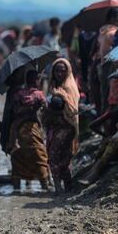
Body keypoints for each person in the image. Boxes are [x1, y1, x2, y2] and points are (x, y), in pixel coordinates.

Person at [8, 70, 50, 190]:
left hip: (22, 128)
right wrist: (32, 110)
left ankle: (17, 189)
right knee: (38, 155)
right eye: (37, 78)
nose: (38, 81)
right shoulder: (39, 94)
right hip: (30, 129)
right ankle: (44, 186)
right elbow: (45, 110)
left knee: (20, 155)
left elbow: (15, 110)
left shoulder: (19, 93)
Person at [44, 58, 79, 194]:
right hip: (54, 126)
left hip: (67, 126)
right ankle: (65, 186)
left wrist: (61, 96)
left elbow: (73, 108)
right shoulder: (52, 86)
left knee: (58, 155)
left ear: (68, 72)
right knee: (59, 155)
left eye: (63, 71)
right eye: (57, 71)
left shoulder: (69, 86)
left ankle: (61, 187)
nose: (60, 74)